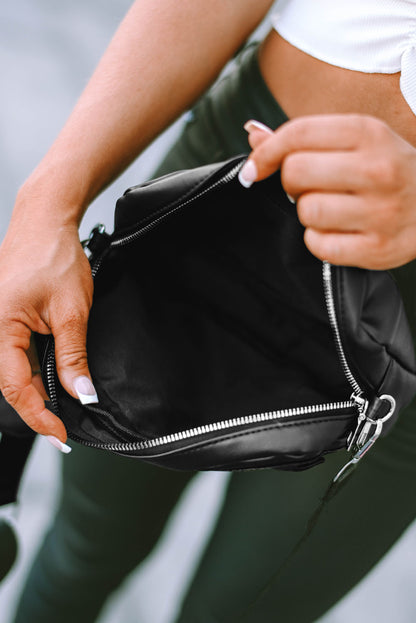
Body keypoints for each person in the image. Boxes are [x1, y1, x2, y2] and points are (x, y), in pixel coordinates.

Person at [3, 0, 416, 621]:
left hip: (402, 324)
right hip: (223, 187)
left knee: (245, 612)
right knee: (83, 545)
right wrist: (47, 204)